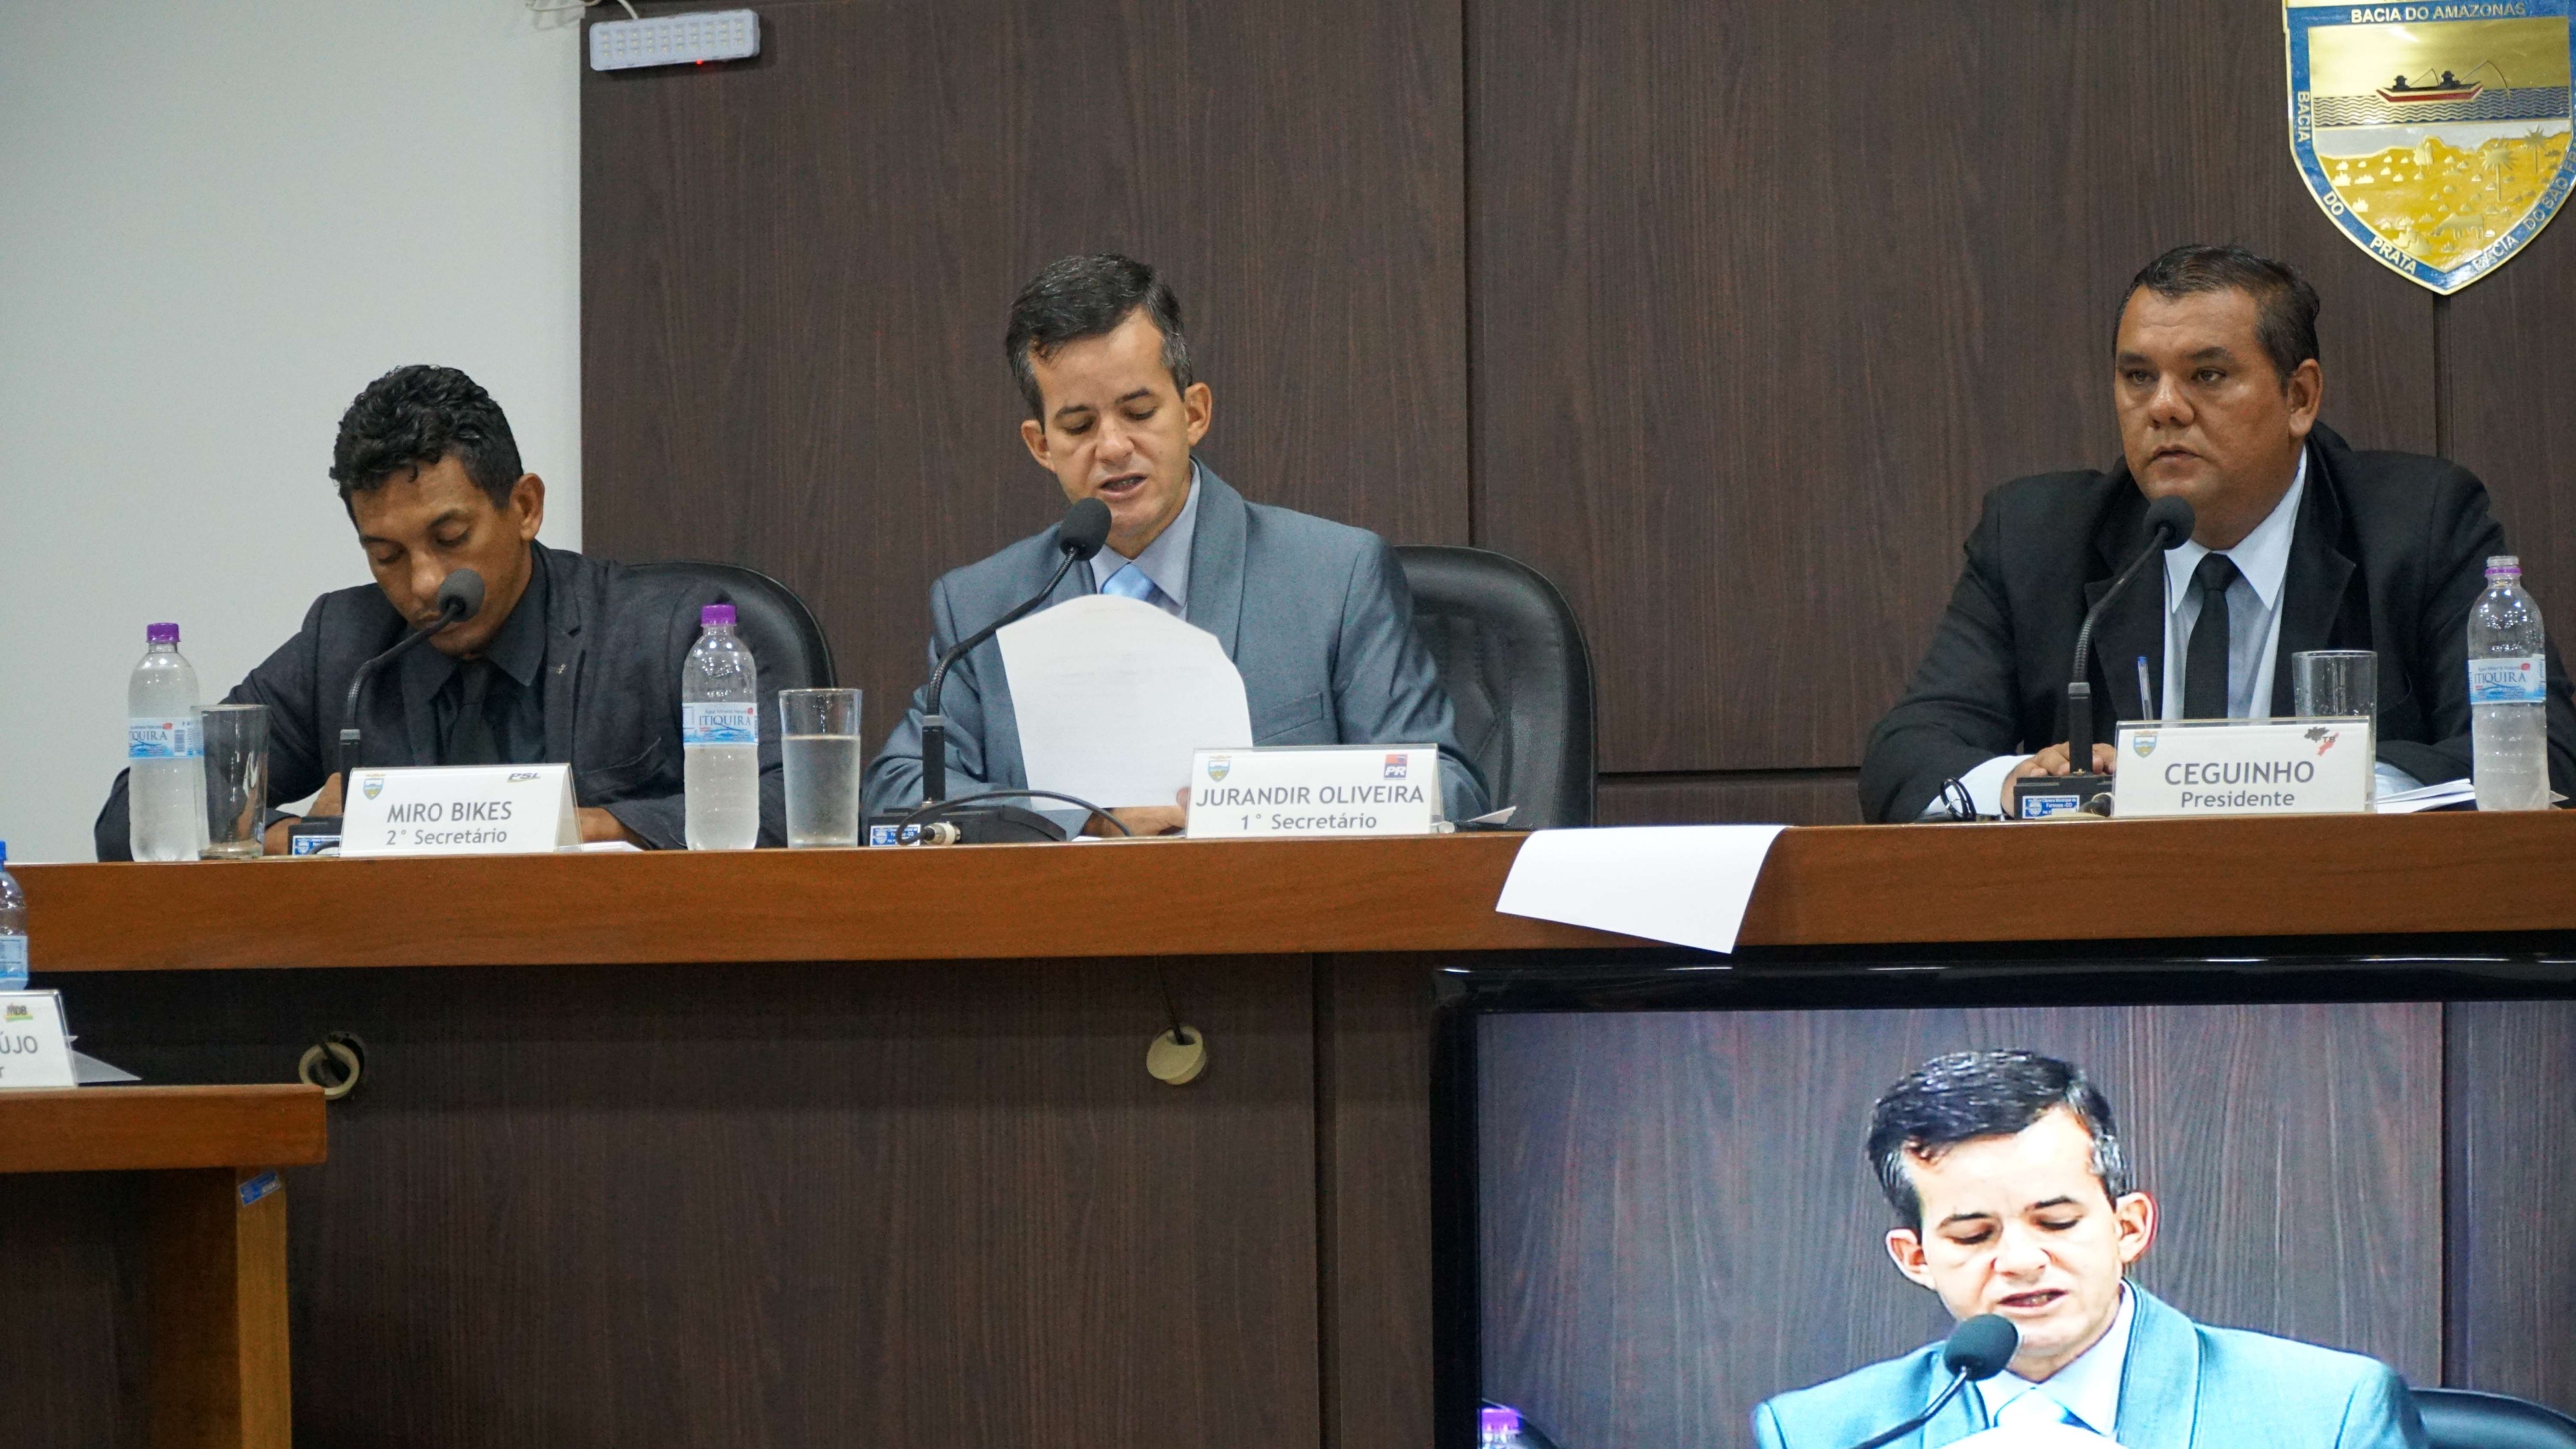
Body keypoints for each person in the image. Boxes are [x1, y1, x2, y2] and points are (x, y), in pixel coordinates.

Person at [1859, 244, 2576, 822]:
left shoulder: (2418, 525)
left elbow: (2542, 753)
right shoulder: (2035, 538)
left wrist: (2328, 785)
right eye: (2138, 377)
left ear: (2299, 398)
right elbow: (1906, 757)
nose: (2164, 407)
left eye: (2206, 375)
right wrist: (2022, 785)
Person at [864, 253, 1487, 833]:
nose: (1113, 447)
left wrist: (1245, 804)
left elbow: (1451, 791)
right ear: (1041, 445)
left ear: (1193, 413)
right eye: (1079, 426)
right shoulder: (983, 607)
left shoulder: (1334, 578)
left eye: (1139, 413)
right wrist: (1086, 819)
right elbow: (899, 793)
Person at [94, 365, 786, 857]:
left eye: (450, 539)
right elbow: (136, 812)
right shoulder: (346, 648)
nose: (423, 584)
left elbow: (794, 807)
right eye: (387, 555)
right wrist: (298, 837)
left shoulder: (666, 632)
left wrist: (597, 827)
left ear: (524, 507)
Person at [1753, 1050, 2426, 1448]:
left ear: (2128, 1227)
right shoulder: (1820, 1433)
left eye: (2055, 1222)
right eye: (1973, 1235)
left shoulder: (2325, 1413)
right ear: (1916, 1258)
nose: (2021, 1261)